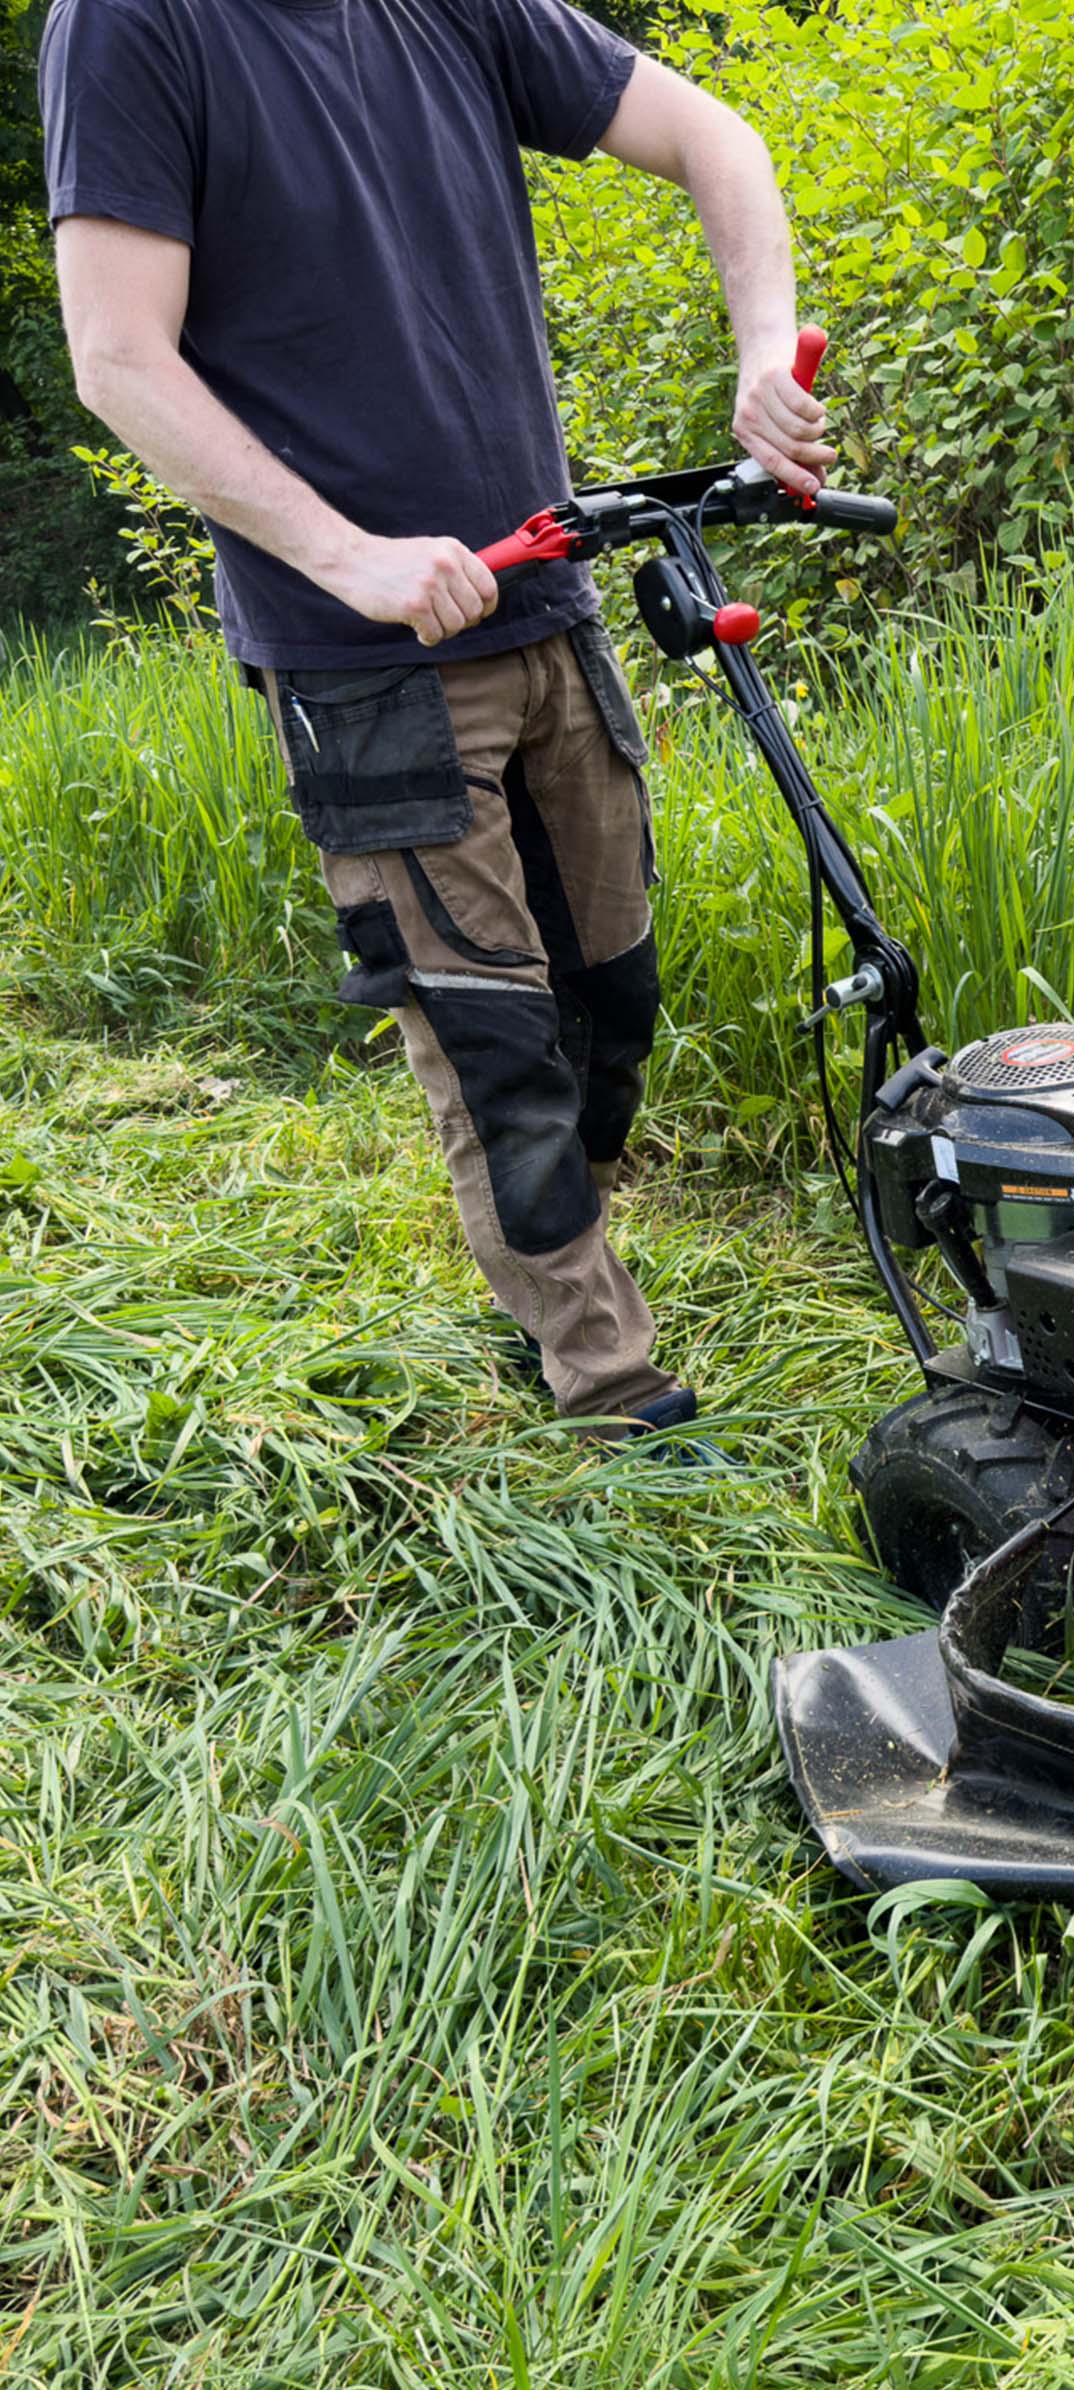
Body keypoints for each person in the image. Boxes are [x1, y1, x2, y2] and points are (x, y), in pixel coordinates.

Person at [39, 0, 833, 1437]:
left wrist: (762, 351)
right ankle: (608, 1385)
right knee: (494, 1042)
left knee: (611, 997)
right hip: (364, 659)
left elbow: (715, 136)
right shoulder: (131, 27)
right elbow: (116, 356)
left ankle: (538, 1256)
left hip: (545, 599)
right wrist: (351, 557)